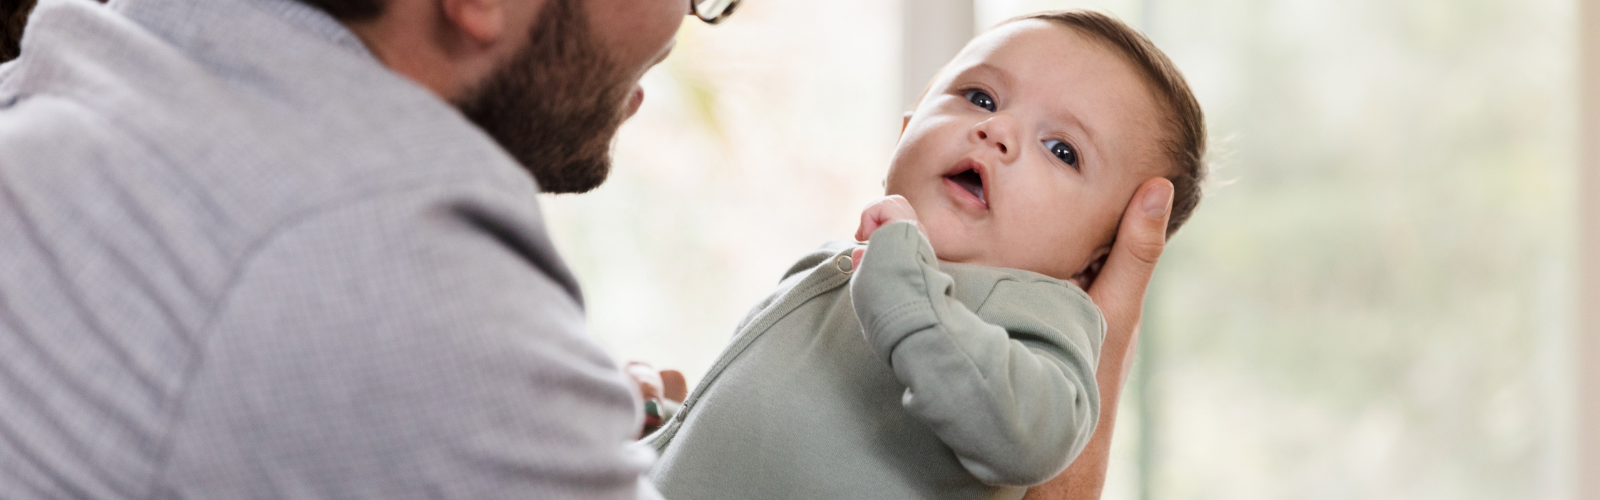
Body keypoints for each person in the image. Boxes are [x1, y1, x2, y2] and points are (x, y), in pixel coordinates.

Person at [0, 1, 1170, 500]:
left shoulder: (108, 58)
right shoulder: (389, 274)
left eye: (1062, 150)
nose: (680, 24)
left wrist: (595, 421)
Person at [643, 10, 1204, 500]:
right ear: (906, 131)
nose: (996, 129)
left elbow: (1033, 437)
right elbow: (749, 441)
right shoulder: (837, 266)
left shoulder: (1038, 316)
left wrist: (903, 291)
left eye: (1062, 150)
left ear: (1094, 259)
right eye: (979, 97)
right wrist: (658, 430)